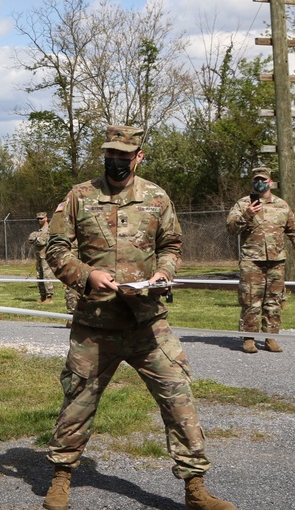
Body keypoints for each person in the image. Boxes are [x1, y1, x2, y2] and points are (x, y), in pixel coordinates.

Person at [42, 125, 233, 510]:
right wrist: (85, 275)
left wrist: (164, 273)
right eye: (110, 154)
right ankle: (60, 478)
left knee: (178, 397)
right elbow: (57, 248)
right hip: (96, 324)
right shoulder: (80, 196)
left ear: (138, 156)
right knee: (78, 401)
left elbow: (171, 244)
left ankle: (195, 487)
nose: (116, 161)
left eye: (124, 155)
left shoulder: (156, 196)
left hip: (148, 322)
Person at [225, 166, 295, 355]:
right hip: (252, 261)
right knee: (250, 300)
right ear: (252, 183)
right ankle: (248, 339)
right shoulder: (243, 204)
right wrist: (247, 215)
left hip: (276, 261)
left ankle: (270, 338)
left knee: (274, 301)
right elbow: (230, 229)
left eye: (263, 179)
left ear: (271, 182)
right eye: (256, 180)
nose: (260, 183)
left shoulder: (282, 205)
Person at [28, 211, 55, 303]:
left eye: (41, 218)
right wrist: (36, 238)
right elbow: (31, 239)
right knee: (39, 276)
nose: (39, 220)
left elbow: (42, 241)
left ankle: (49, 296)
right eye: (38, 218)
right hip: (39, 256)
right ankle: (42, 296)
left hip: (46, 256)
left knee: (47, 275)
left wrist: (35, 238)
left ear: (46, 218)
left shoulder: (49, 230)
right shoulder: (39, 231)